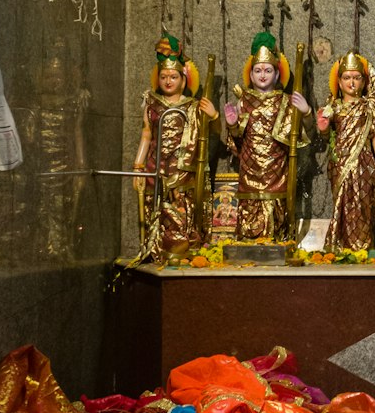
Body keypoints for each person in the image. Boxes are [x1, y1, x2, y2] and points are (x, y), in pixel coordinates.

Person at [132, 33, 218, 259]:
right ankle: (156, 250)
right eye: (163, 77)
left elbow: (215, 132)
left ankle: (183, 250)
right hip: (156, 167)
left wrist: (214, 115)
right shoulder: (151, 102)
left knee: (181, 212)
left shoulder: (193, 105)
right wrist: (137, 167)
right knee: (157, 212)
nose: (168, 81)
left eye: (173, 77)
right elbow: (146, 135)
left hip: (183, 170)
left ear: (183, 79)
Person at [224, 32, 310, 241]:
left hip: (277, 168)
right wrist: (232, 125)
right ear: (251, 75)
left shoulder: (285, 101)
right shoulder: (243, 101)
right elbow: (236, 140)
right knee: (250, 213)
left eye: (268, 70)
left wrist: (306, 112)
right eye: (258, 71)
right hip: (249, 167)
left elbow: (303, 135)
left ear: (278, 75)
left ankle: (276, 242)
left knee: (275, 213)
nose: (263, 75)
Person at [315, 51, 375, 251]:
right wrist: (323, 127)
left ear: (364, 82)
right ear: (339, 83)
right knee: (343, 203)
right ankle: (342, 244)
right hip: (340, 162)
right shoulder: (334, 107)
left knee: (364, 203)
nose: (352, 83)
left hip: (365, 163)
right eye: (347, 78)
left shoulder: (369, 107)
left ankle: (363, 243)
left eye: (357, 78)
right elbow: (325, 136)